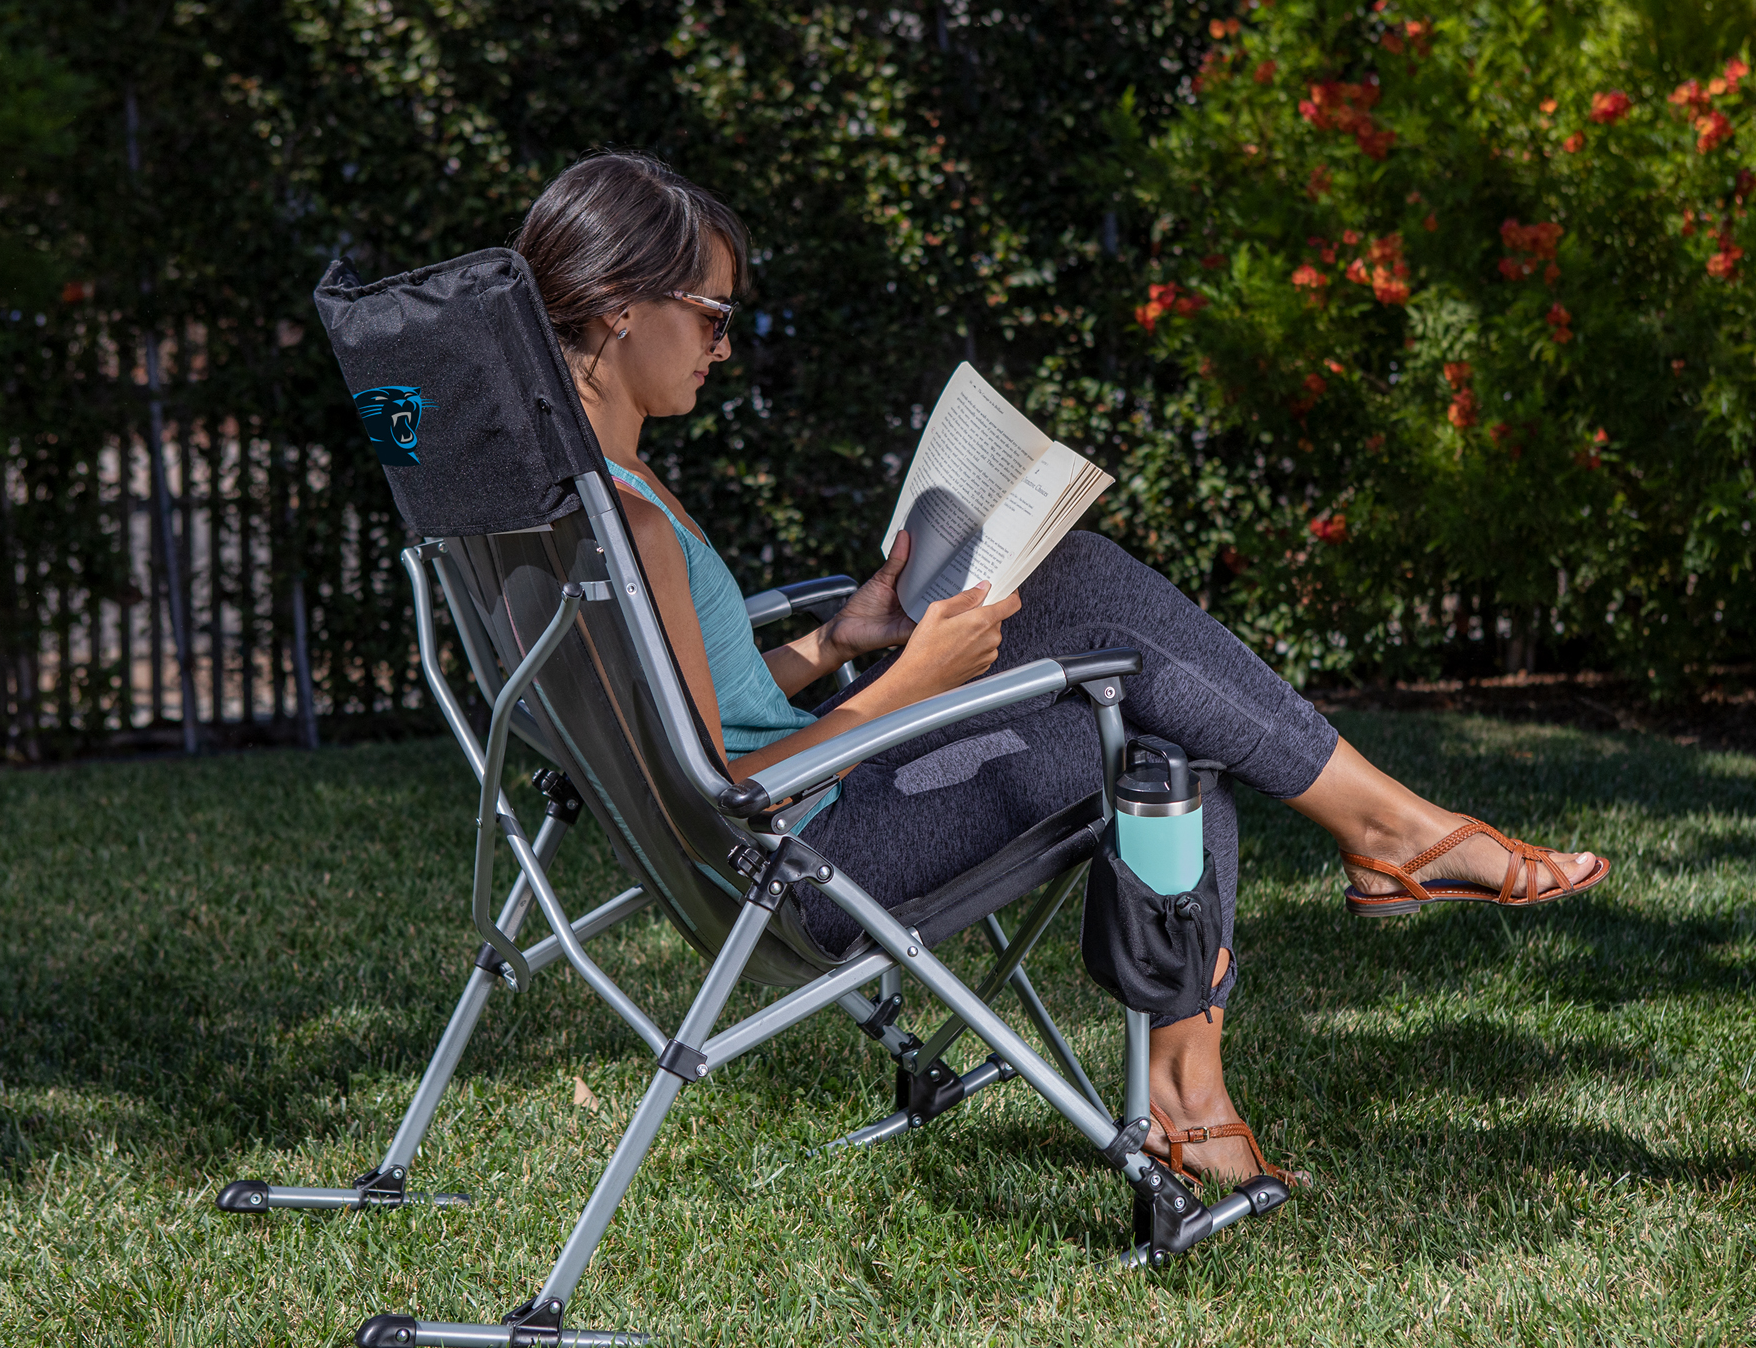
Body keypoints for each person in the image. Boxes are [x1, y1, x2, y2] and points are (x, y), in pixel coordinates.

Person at [515, 153, 1608, 1189]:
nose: (724, 344)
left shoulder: (579, 502)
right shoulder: (629, 525)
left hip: (787, 836)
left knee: (1116, 644)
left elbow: (692, 711)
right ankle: (1337, 907)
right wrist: (915, 681)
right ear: (620, 306)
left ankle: (1302, 954)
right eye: (710, 313)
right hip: (810, 864)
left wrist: (847, 641)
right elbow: (718, 792)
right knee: (1151, 712)